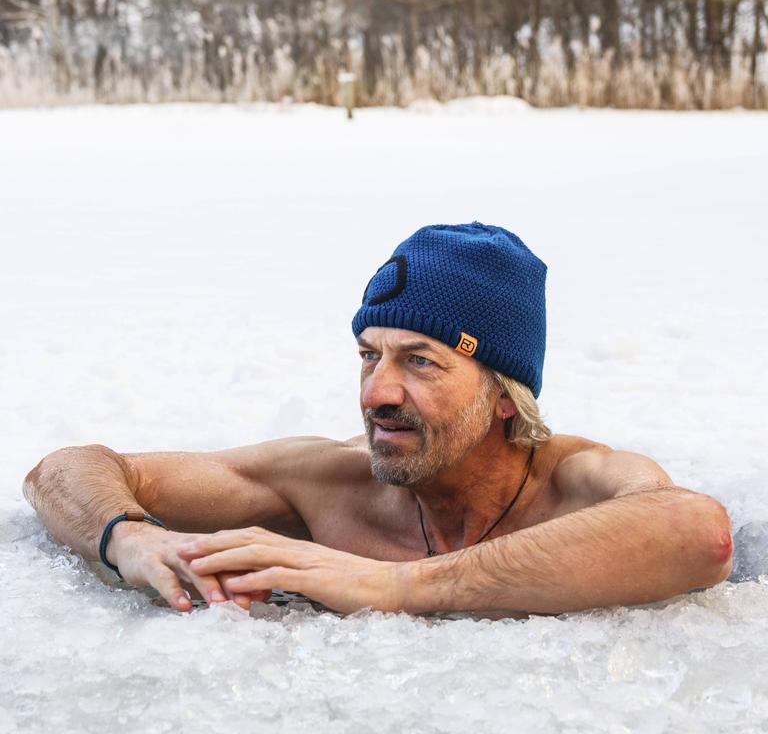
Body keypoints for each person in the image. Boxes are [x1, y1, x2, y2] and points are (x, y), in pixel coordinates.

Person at [24, 222, 733, 617]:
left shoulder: (578, 482)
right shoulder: (330, 483)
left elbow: (696, 532)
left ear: (508, 395)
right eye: (369, 356)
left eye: (420, 362)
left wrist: (390, 586)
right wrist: (130, 538)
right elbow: (65, 470)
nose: (376, 393)